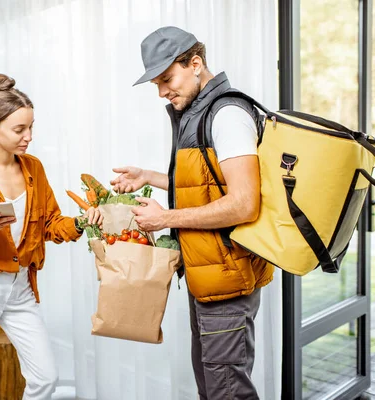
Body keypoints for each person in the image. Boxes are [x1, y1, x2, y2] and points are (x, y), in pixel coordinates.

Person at [111, 26, 274, 399]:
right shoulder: (199, 112)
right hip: (209, 278)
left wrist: (165, 218)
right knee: (211, 388)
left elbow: (244, 203)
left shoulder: (227, 115)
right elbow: (209, 186)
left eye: (167, 78)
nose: (162, 92)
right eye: (156, 83)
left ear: (195, 63)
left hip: (227, 282)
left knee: (226, 392)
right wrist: (150, 176)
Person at [0, 73, 103, 400]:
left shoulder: (34, 169)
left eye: (31, 127)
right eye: (19, 129)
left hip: (20, 289)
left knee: (46, 377)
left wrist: (82, 222)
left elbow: (52, 224)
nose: (29, 136)